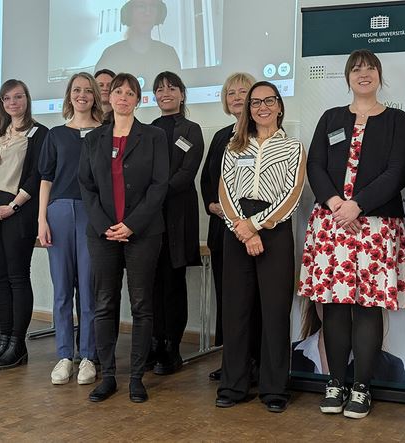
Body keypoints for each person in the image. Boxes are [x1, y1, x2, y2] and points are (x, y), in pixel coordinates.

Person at [299, 49, 405, 419]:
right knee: (333, 306)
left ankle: (361, 387)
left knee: (367, 308)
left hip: (375, 226)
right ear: (348, 77)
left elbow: (397, 172)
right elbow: (315, 165)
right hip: (331, 223)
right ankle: (335, 383)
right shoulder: (331, 117)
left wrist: (358, 205)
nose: (364, 74)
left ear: (379, 75)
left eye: (370, 68)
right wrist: (336, 203)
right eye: (357, 69)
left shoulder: (397, 120)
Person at [216, 81, 306, 413]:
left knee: (275, 311)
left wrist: (255, 226)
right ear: (249, 110)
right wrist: (242, 228)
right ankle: (233, 385)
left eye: (269, 101)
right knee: (236, 311)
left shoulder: (293, 147)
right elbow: (225, 191)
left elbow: (293, 194)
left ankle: (274, 388)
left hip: (274, 229)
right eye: (255, 102)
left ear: (280, 106)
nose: (262, 107)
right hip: (236, 228)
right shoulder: (234, 146)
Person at [79, 73, 169, 403]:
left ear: (138, 99)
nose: (123, 97)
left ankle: (136, 378)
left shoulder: (154, 136)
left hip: (143, 232)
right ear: (110, 97)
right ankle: (108, 376)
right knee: (105, 303)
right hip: (102, 234)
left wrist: (131, 224)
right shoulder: (93, 139)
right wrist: (105, 225)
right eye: (118, 91)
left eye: (130, 93)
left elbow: (159, 185)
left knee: (142, 305)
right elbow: (86, 186)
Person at [0, 79, 48, 370]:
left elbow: (37, 175)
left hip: (18, 212)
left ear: (27, 99)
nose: (13, 103)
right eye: (7, 98)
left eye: (18, 97)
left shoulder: (40, 133)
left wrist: (13, 206)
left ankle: (18, 344)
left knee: (17, 277)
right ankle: (4, 341)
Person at [38, 72, 102, 386]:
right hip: (59, 212)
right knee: (62, 289)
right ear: (69, 95)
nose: (82, 95)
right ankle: (65, 355)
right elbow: (46, 179)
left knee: (89, 290)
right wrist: (41, 220)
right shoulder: (55, 135)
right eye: (76, 90)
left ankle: (88, 356)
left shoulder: (105, 132)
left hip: (92, 214)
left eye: (88, 90)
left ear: (95, 96)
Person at [199, 72, 261, 382]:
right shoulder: (221, 136)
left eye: (242, 91)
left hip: (253, 230)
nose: (236, 97)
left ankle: (256, 362)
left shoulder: (263, 133)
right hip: (222, 229)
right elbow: (207, 180)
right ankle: (232, 362)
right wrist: (212, 204)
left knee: (253, 300)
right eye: (230, 93)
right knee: (228, 299)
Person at [147, 71, 203, 375]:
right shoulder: (148, 129)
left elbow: (186, 172)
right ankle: (154, 342)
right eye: (159, 89)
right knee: (152, 282)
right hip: (150, 217)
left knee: (173, 282)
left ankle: (172, 347)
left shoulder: (192, 129)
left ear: (182, 94)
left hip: (178, 214)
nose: (165, 93)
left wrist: (155, 194)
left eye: (171, 88)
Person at [94, 0, 181, 90]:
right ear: (129, 13)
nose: (147, 13)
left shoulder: (168, 54)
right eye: (141, 6)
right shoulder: (111, 54)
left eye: (153, 7)